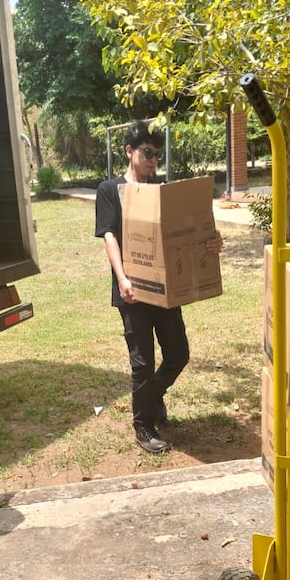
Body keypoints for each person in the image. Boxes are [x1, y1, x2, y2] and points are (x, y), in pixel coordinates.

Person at [95, 121, 223, 453]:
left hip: (165, 291)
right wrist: (122, 278)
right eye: (147, 153)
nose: (153, 161)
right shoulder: (111, 190)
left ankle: (152, 397)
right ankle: (143, 425)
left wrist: (211, 242)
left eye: (157, 155)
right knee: (142, 363)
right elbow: (109, 234)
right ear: (129, 152)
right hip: (133, 291)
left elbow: (186, 229)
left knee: (179, 353)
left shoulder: (162, 190)